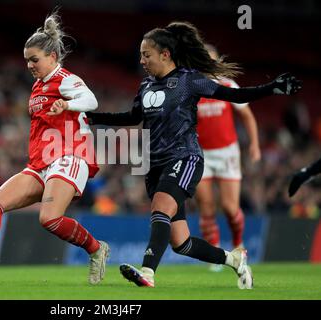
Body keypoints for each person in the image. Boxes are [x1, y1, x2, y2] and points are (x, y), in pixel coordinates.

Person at [86, 21, 301, 289]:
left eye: (146, 54)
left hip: (185, 158)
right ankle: (234, 260)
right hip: (154, 165)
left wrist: (273, 88)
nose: (141, 60)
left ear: (165, 54)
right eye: (141, 54)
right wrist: (93, 118)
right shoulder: (146, 86)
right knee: (181, 242)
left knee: (161, 208)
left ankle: (148, 273)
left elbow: (234, 95)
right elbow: (132, 117)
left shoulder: (190, 80)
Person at [0, 12, 110, 285]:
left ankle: (97, 249)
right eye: (27, 59)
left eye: (35, 59)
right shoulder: (38, 86)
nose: (29, 64)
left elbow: (91, 99)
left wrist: (68, 104)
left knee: (49, 219)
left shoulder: (64, 78)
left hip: (69, 155)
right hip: (41, 162)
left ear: (52, 57)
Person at [195, 44, 261, 272]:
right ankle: (215, 254)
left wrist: (254, 144)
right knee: (205, 205)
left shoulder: (227, 85)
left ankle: (238, 245)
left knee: (230, 208)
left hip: (227, 153)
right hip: (201, 154)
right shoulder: (192, 89)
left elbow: (247, 116)